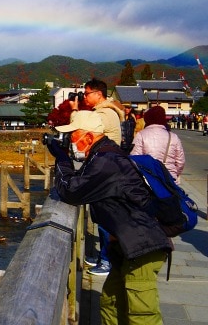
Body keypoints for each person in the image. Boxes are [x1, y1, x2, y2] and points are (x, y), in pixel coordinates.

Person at [48, 111, 171, 325]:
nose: (69, 140)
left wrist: (62, 159)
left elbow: (71, 191)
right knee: (110, 303)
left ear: (88, 136)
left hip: (143, 246)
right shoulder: (102, 154)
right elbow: (81, 184)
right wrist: (66, 158)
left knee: (142, 314)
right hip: (126, 245)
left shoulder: (107, 161)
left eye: (72, 135)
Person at [72, 78, 125, 276]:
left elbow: (83, 131)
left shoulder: (104, 114)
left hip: (107, 170)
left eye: (87, 93)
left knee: (106, 218)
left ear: (98, 94)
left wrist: (75, 112)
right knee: (104, 216)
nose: (84, 97)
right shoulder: (107, 111)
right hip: (108, 167)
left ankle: (107, 260)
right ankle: (104, 256)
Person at [132, 105, 185, 184]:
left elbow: (135, 159)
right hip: (169, 179)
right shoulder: (173, 136)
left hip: (149, 178)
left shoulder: (141, 135)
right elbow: (180, 161)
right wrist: (174, 173)